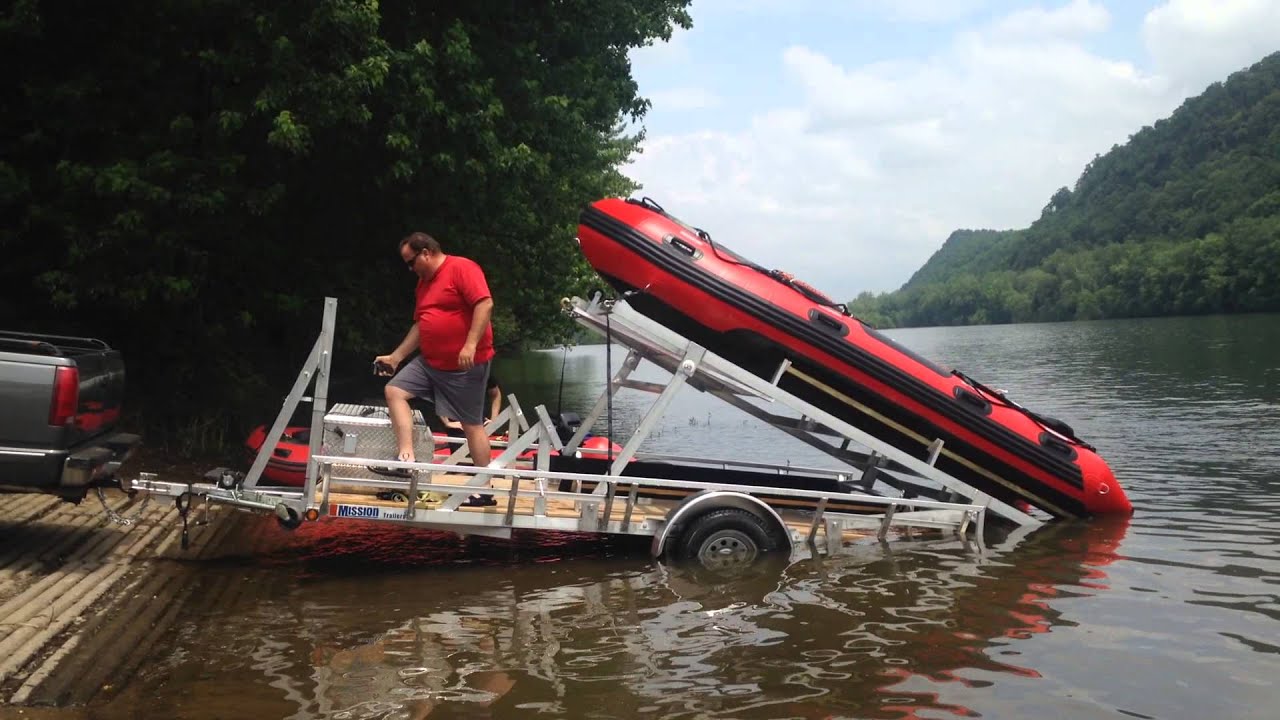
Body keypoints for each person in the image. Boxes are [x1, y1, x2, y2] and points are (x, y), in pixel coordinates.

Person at [374, 232, 498, 504]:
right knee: (394, 391)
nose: (410, 269)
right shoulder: (423, 284)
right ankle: (406, 457)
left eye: (411, 262)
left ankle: (485, 490)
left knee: (471, 425)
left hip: (465, 364)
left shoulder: (461, 268)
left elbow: (484, 303)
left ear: (427, 252)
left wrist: (469, 344)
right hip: (430, 362)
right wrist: (396, 357)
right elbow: (421, 325)